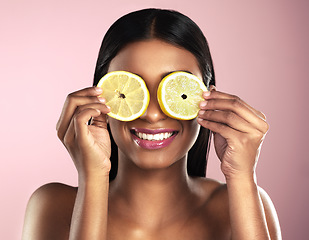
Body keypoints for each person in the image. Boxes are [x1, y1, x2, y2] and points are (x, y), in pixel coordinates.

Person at [22, 8, 281, 240]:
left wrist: (242, 177)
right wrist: (93, 179)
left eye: (174, 90)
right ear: (101, 94)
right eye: (131, 88)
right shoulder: (54, 206)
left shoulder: (243, 203)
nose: (153, 114)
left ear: (208, 96)